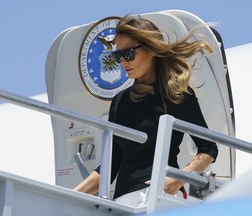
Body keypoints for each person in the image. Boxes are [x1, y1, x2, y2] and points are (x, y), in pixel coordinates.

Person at [74, 14, 218, 207]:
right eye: (118, 55)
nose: (123, 61)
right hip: (123, 202)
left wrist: (178, 179)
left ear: (150, 49)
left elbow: (208, 148)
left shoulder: (176, 94)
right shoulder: (120, 101)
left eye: (129, 53)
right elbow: (110, 166)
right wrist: (66, 195)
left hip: (161, 196)